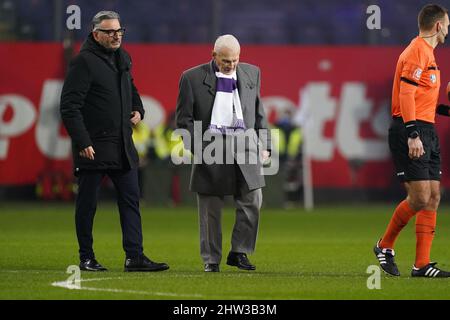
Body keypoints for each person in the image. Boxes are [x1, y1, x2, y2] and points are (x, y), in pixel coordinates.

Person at [60, 11, 169, 272]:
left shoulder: (122, 58)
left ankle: (135, 257)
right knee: (87, 204)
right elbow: (69, 107)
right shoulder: (83, 62)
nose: (116, 36)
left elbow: (131, 88)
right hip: (93, 147)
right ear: (95, 34)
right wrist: (82, 141)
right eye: (109, 32)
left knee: (131, 201)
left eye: (119, 31)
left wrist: (138, 109)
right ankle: (86, 257)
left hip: (122, 144)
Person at [176, 34, 271, 272]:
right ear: (214, 56)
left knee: (253, 200)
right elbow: (183, 119)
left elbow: (259, 111)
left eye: (235, 60)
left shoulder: (252, 73)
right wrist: (199, 149)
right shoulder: (191, 78)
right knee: (210, 208)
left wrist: (266, 144)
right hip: (211, 147)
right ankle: (211, 260)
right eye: (226, 61)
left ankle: (240, 252)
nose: (231, 65)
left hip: (245, 145)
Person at [374, 4, 450, 278]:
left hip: (425, 128)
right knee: (419, 197)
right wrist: (413, 134)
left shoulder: (427, 53)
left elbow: (420, 99)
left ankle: (422, 264)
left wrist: (444, 110)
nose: (448, 30)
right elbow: (405, 96)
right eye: (448, 25)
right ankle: (384, 246)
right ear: (439, 26)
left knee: (433, 197)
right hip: (411, 130)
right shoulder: (417, 51)